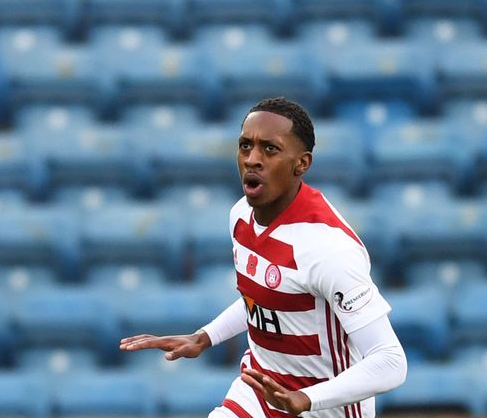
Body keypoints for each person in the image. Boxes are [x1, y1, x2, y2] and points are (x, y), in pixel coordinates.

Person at [120, 97, 407, 417]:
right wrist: (205, 337)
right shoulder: (241, 216)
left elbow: (390, 361)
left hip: (324, 406)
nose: (252, 159)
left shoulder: (329, 250)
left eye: (270, 149)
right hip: (258, 390)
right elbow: (263, 298)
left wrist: (305, 399)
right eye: (245, 146)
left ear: (302, 164)